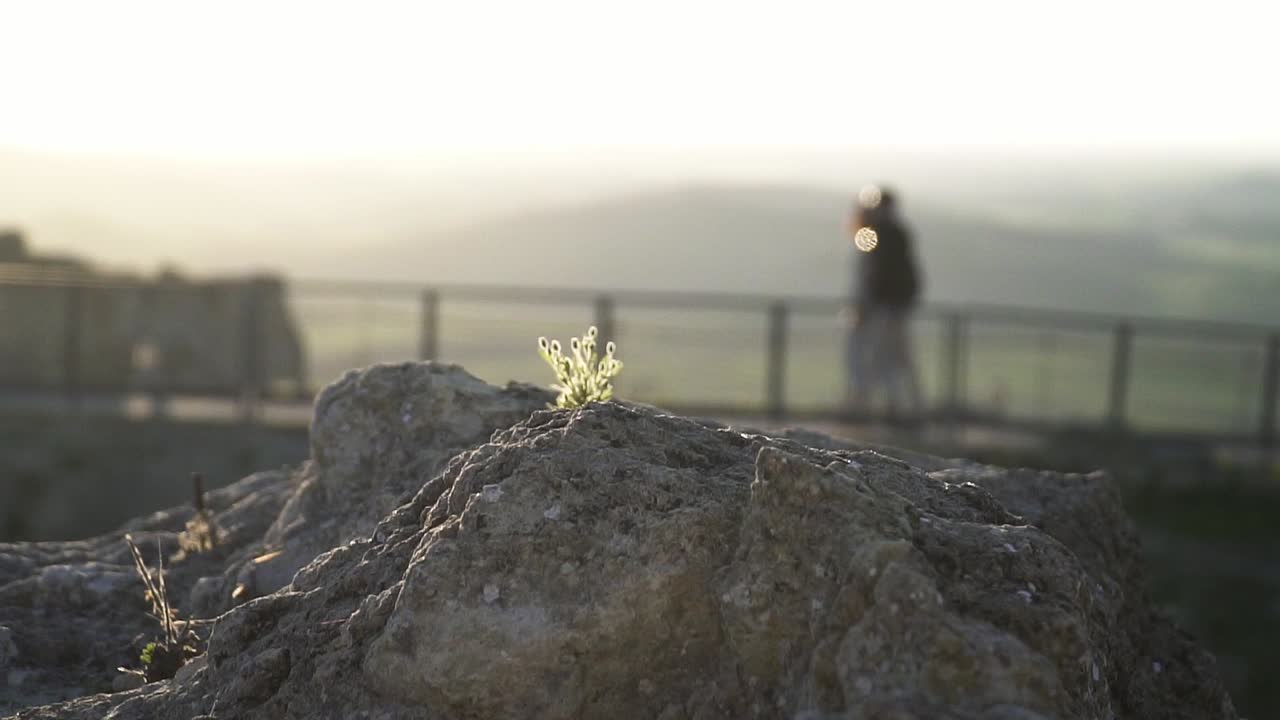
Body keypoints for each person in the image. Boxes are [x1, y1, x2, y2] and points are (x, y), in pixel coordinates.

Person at [844, 184, 923, 417]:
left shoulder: (874, 234)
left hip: (881, 307)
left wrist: (861, 305)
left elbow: (866, 273)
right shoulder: (898, 233)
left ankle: (866, 404)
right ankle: (905, 405)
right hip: (894, 306)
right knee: (895, 358)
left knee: (873, 356)